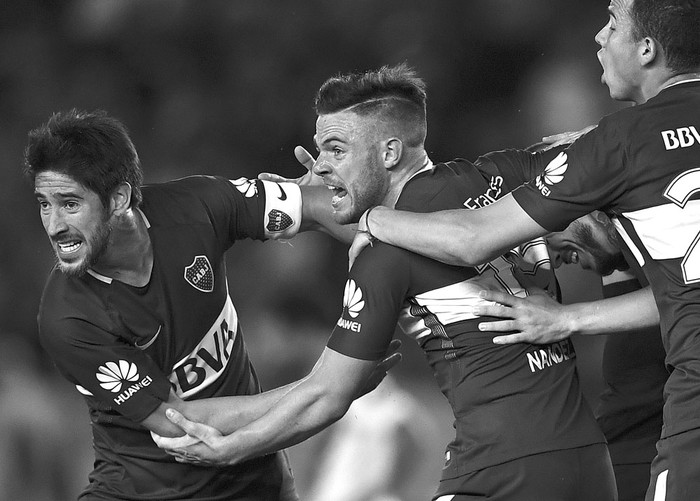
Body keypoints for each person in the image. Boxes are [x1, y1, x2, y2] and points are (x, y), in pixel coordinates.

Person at [153, 64, 617, 501]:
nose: (324, 165)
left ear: (390, 152)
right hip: (590, 464)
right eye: (321, 152)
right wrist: (323, 204)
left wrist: (237, 448)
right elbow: (595, 153)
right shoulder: (505, 176)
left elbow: (326, 396)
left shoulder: (383, 253)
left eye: (337, 150)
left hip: (502, 471)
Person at [346, 1, 700, 499]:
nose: (599, 37)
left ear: (647, 49)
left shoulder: (618, 142)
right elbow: (683, 290)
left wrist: (371, 216)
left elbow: (472, 238)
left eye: (614, 24)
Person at [23, 108, 397, 500]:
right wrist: (325, 387)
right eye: (44, 204)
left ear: (118, 199)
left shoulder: (198, 207)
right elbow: (178, 420)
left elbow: (321, 208)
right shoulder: (69, 317)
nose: (52, 225)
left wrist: (400, 261)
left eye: (68, 204)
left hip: (258, 484)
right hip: (143, 492)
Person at [475, 209, 668, 501]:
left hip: (665, 443)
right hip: (624, 442)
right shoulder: (619, 250)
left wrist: (566, 318)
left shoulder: (667, 222)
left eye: (547, 232)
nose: (552, 258)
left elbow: (686, 297)